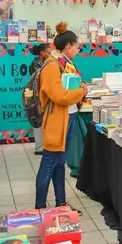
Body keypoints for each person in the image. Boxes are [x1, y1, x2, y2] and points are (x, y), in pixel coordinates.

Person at [35, 22, 87, 215]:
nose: (78, 49)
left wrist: (80, 88)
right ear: (67, 46)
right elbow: (59, 96)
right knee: (48, 163)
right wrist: (81, 91)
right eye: (76, 46)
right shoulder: (52, 66)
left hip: (69, 117)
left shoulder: (66, 64)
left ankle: (61, 204)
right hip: (56, 121)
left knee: (59, 164)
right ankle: (40, 208)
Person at [29, 43, 51, 155]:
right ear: (42, 53)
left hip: (42, 96)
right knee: (37, 121)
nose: (50, 55)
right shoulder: (36, 64)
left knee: (42, 121)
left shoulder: (43, 63)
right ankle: (39, 147)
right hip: (37, 97)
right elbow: (40, 80)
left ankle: (43, 145)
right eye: (49, 53)